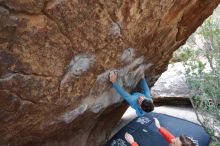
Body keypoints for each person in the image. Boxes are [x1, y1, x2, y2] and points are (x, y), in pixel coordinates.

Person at [124, 118, 195, 146]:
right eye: (176, 138)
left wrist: (132, 142)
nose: (172, 139)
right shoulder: (176, 142)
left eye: (174, 143)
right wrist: (159, 127)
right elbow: (172, 138)